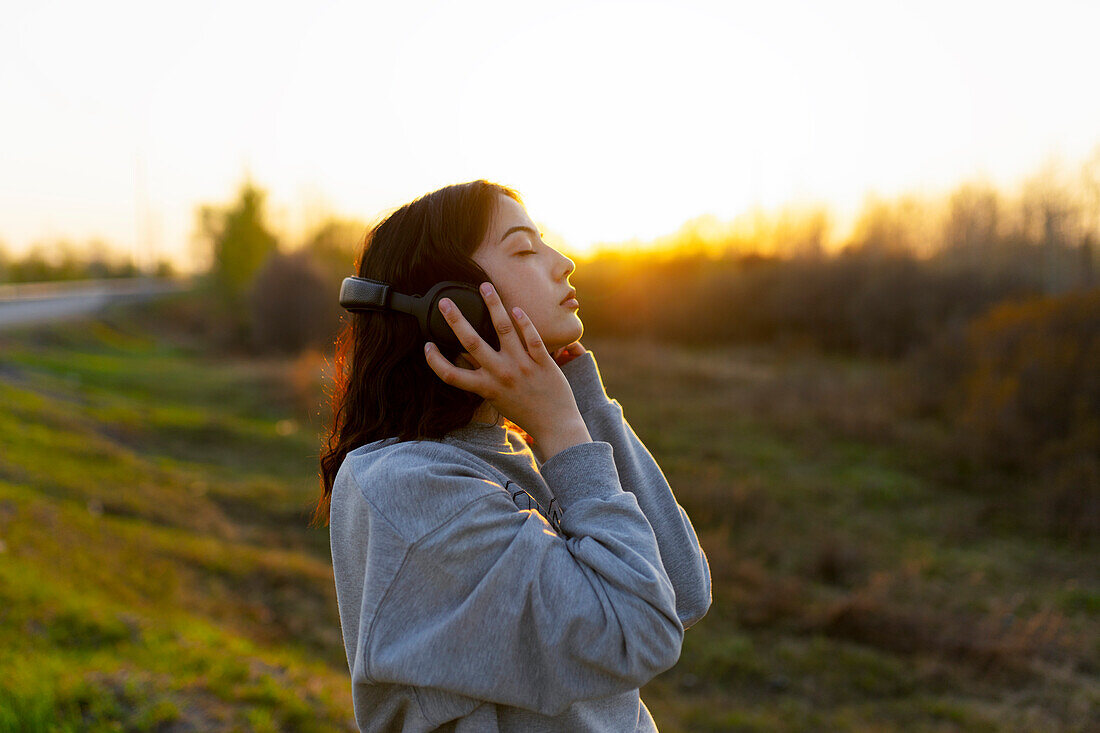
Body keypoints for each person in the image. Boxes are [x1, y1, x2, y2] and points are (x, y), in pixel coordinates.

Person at [315, 179, 711, 731]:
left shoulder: (509, 451)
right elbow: (638, 629)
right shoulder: (408, 487)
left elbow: (682, 590)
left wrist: (578, 397)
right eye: (524, 249)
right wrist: (560, 427)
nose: (565, 263)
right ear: (453, 306)